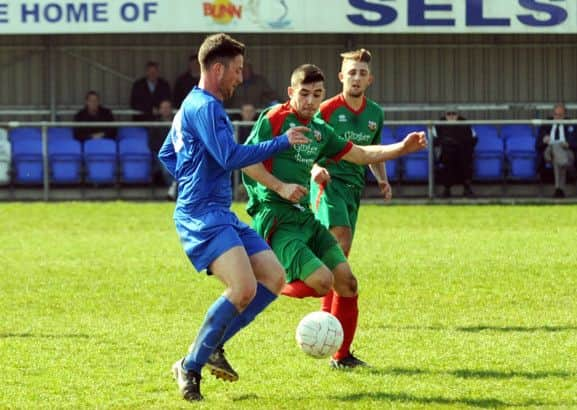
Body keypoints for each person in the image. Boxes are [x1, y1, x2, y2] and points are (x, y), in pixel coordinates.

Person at [241, 64, 427, 369]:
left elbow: (362, 155)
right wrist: (280, 187)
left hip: (304, 217)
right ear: (291, 93)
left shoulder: (319, 131)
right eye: (304, 94)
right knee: (322, 282)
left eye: (317, 95)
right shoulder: (275, 118)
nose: (311, 101)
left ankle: (342, 357)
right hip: (276, 215)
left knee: (347, 282)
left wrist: (402, 149)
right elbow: (246, 161)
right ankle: (268, 278)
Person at [158, 33, 310, 402]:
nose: (240, 79)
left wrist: (194, 175)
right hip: (202, 215)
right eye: (237, 71)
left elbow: (167, 154)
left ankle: (209, 347)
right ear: (217, 68)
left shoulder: (191, 105)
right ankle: (190, 366)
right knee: (243, 288)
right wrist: (282, 141)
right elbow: (228, 158)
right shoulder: (206, 107)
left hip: (219, 211)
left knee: (273, 278)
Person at [308, 48, 391, 317]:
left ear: (370, 80)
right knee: (339, 239)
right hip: (328, 183)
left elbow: (374, 150)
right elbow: (306, 147)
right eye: (352, 73)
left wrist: (382, 179)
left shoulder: (375, 113)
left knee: (341, 254)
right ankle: (303, 289)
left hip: (355, 188)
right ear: (341, 76)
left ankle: (326, 314)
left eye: (362, 73)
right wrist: (315, 167)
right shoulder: (326, 110)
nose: (356, 78)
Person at [536, 103, 577, 198]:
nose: (557, 117)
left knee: (556, 158)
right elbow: (537, 144)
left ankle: (559, 190)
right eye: (555, 114)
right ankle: (564, 162)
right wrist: (543, 140)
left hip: (566, 151)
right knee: (554, 146)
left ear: (565, 115)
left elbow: (575, 143)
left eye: (560, 115)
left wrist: (569, 144)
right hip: (548, 152)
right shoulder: (546, 124)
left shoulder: (572, 124)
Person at [434, 108, 476, 198]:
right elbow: (435, 139)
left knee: (466, 160)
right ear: (445, 115)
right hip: (446, 151)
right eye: (449, 114)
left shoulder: (464, 123)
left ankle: (467, 188)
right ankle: (447, 189)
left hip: (462, 151)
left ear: (457, 115)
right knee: (447, 162)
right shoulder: (439, 124)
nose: (451, 116)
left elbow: (473, 138)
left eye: (454, 114)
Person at [148, 99, 177, 198]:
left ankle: (174, 188)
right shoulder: (155, 125)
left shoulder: (179, 123)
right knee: (167, 169)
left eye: (168, 107)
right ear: (159, 110)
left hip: (179, 153)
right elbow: (152, 143)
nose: (165, 110)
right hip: (162, 154)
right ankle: (175, 188)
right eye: (163, 108)